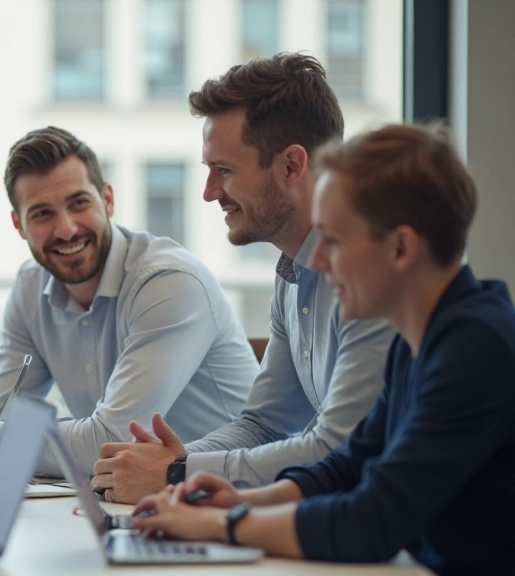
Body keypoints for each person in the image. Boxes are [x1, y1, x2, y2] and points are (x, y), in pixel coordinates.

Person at [131, 123, 515, 575]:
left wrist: (223, 523)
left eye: (333, 239)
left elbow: (371, 523)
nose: (316, 260)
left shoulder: (475, 347)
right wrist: (237, 499)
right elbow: (345, 467)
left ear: (400, 248)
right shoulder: (418, 341)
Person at [90, 53, 395, 502]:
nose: (210, 192)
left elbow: (340, 451)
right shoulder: (290, 273)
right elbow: (266, 424)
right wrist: (165, 466)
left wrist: (179, 472)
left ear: (291, 165)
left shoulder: (374, 277)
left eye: (224, 171)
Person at [0, 126, 259, 476]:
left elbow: (112, 438)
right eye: (42, 213)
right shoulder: (30, 290)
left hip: (229, 495)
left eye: (79, 203)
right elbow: (1, 420)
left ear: (107, 199)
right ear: (18, 224)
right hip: (125, 498)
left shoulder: (168, 282)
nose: (66, 229)